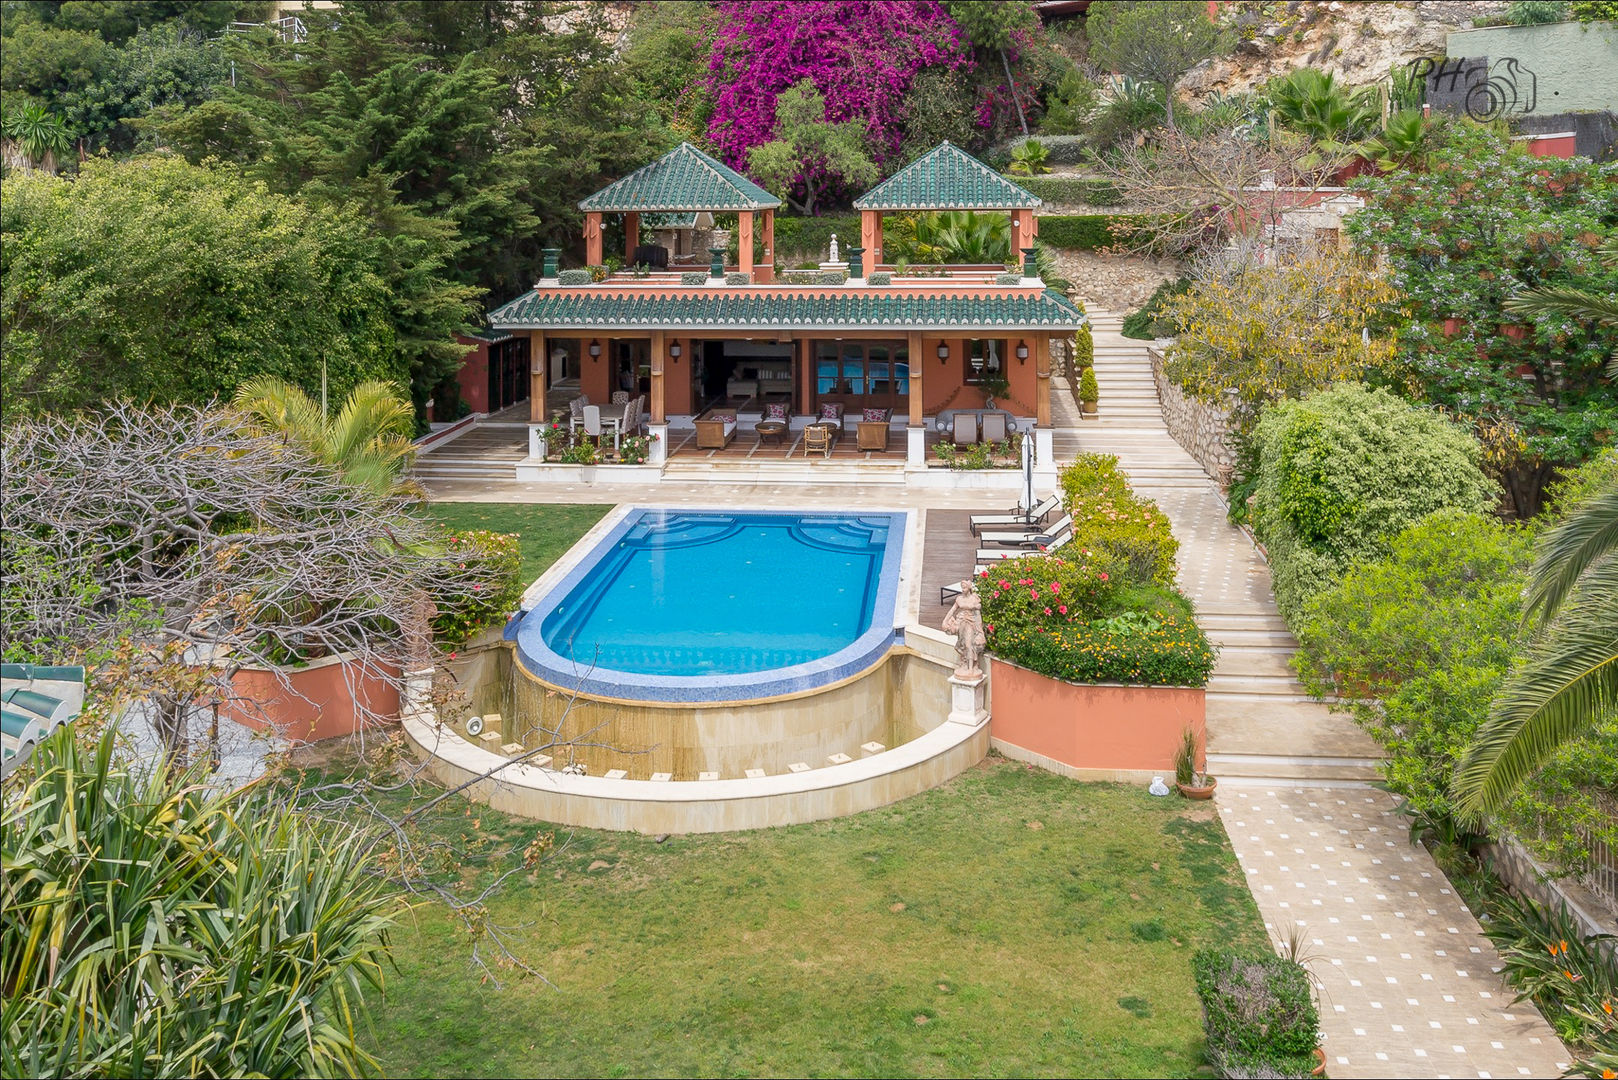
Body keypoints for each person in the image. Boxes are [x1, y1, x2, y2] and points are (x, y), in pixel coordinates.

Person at [941, 577, 987, 679]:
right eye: (962, 588)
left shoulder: (974, 599)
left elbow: (978, 616)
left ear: (969, 588)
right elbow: (952, 611)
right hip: (960, 622)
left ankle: (971, 668)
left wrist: (980, 631)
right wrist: (945, 621)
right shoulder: (959, 599)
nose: (963, 590)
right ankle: (965, 664)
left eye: (964, 588)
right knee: (961, 644)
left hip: (970, 623)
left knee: (968, 644)